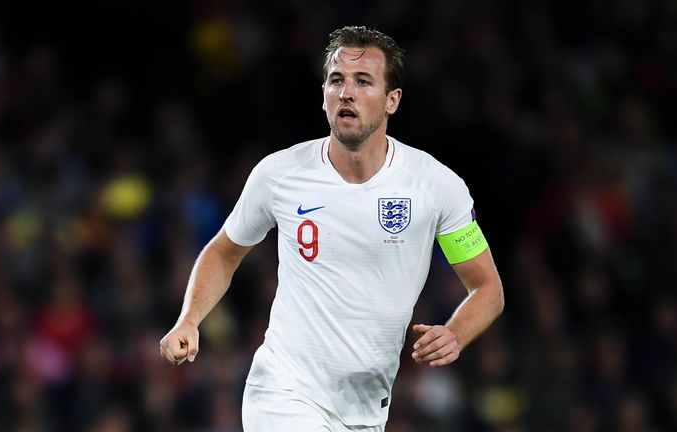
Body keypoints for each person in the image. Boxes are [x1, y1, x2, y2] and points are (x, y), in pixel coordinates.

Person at [160, 25, 504, 431]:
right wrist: (189, 319)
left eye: (363, 82)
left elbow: (487, 289)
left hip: (366, 409)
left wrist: (455, 334)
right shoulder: (280, 174)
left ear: (392, 100)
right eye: (336, 80)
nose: (347, 92)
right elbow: (224, 250)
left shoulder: (435, 185)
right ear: (324, 94)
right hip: (284, 390)